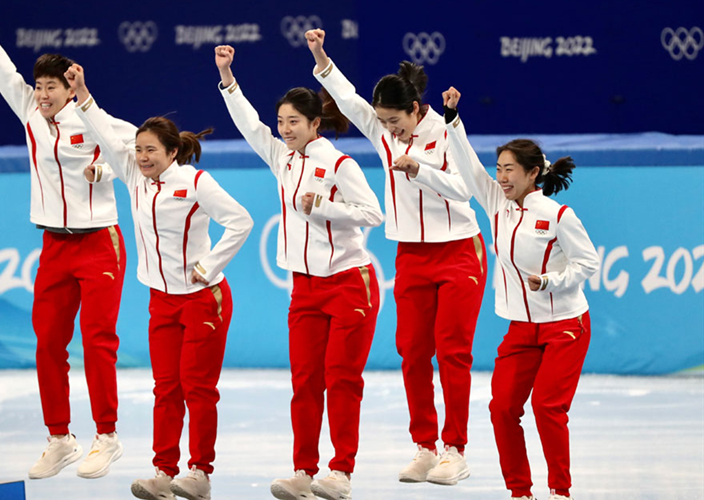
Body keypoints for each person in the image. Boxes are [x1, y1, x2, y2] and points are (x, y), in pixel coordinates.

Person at [0, 0, 136, 480]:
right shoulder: (31, 113)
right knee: (48, 343)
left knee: (98, 342)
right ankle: (59, 438)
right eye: (39, 87)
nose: (42, 94)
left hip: (100, 243)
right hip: (54, 246)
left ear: (68, 89)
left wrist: (109, 168)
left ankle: (107, 437)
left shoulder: (92, 118)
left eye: (50, 87)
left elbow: (139, 144)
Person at [305, 29, 487, 485]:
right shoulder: (384, 131)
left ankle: (454, 449)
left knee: (452, 350)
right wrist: (321, 56)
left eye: (395, 121)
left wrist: (421, 169)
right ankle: (425, 446)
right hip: (411, 255)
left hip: (459, 249)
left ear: (414, 110)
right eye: (382, 122)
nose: (389, 129)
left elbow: (466, 190)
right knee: (411, 352)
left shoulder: (445, 130)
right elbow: (346, 99)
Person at [65, 64, 253, 500]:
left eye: (150, 150)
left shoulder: (195, 182)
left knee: (198, 389)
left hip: (204, 299)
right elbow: (107, 137)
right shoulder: (133, 177)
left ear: (172, 152)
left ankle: (199, 473)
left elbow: (241, 222)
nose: (142, 156)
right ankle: (164, 472)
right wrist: (83, 92)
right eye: (139, 150)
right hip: (161, 301)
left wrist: (210, 265)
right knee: (166, 389)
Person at [214, 44, 383, 500]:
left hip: (350, 283)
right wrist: (228, 78)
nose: (285, 129)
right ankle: (304, 471)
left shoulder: (338, 163)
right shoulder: (282, 159)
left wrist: (323, 208)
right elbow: (250, 125)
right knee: (305, 383)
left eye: (294, 122)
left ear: (315, 124)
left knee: (341, 379)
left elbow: (373, 214)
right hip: (304, 289)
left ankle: (341, 472)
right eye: (282, 122)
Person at [441, 86, 599, 500]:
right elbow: (469, 167)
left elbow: (588, 264)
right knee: (502, 409)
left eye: (510, 169)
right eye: (500, 168)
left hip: (565, 326)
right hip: (520, 330)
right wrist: (452, 119)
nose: (502, 176)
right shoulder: (498, 205)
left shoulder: (559, 215)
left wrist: (551, 281)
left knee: (549, 408)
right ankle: (520, 492)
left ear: (533, 173)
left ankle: (560, 492)